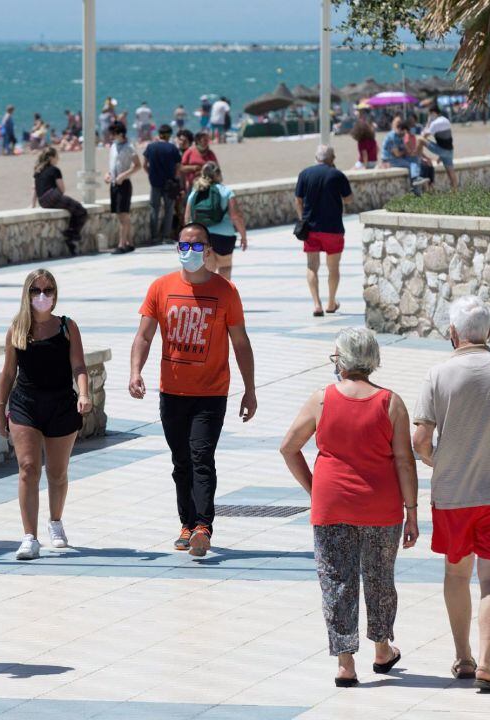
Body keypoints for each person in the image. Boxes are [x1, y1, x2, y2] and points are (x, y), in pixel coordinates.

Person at [280, 328, 419, 688]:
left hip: (332, 507)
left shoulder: (321, 400)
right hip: (382, 507)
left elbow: (288, 447)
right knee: (379, 578)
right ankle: (382, 649)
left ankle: (345, 663)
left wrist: (316, 489)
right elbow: (405, 461)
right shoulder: (392, 403)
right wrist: (413, 512)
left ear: (341, 359)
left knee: (337, 581)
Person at [412, 295, 490, 694]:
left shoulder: (437, 375)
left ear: (452, 334)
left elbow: (420, 439)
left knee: (456, 573)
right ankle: (487, 662)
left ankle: (463, 657)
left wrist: (436, 462)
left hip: (454, 494)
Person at [129, 223, 257, 557]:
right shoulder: (161, 287)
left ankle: (203, 525)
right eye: (185, 246)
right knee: (180, 461)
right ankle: (186, 525)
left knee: (201, 457)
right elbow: (144, 335)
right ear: (177, 249)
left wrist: (250, 389)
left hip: (211, 394)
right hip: (172, 392)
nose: (191, 252)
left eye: (197, 246)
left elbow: (241, 343)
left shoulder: (225, 291)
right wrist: (135, 371)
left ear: (209, 249)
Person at [0, 270, 92, 560]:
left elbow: (79, 366)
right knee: (27, 468)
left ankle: (55, 522)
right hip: (25, 404)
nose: (42, 296)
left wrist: (84, 393)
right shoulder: (17, 329)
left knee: (57, 472)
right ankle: (29, 537)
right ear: (27, 294)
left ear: (55, 294)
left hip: (61, 403)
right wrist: (0, 408)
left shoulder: (66, 327)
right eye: (36, 290)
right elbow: (8, 371)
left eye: (48, 290)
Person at [295, 145, 353, 317]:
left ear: (316, 157)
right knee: (333, 267)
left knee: (312, 266)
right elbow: (349, 198)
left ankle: (316, 304)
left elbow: (298, 200)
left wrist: (302, 219)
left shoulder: (304, 174)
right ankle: (331, 302)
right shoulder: (337, 175)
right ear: (332, 158)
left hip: (311, 228)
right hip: (333, 228)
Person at [185, 162, 247, 280]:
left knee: (206, 271)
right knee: (225, 267)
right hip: (224, 237)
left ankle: (207, 296)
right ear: (218, 174)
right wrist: (243, 236)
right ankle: (223, 296)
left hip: (201, 236)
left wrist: (187, 240)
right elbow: (236, 216)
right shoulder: (226, 191)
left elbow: (187, 217)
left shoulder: (196, 191)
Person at [31, 147, 87, 256]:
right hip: (53, 196)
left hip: (42, 201)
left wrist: (33, 204)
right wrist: (60, 197)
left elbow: (34, 189)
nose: (58, 159)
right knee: (80, 210)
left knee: (72, 208)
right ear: (51, 158)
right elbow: (62, 189)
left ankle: (71, 234)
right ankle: (71, 234)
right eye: (57, 157)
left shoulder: (38, 170)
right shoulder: (55, 170)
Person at [104, 121, 140, 254]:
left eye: (113, 134)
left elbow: (137, 165)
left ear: (120, 134)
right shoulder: (113, 146)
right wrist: (108, 175)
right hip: (114, 183)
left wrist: (123, 176)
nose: (111, 136)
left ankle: (122, 244)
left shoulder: (130, 147)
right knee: (120, 215)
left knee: (123, 215)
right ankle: (129, 242)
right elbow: (112, 165)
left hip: (123, 184)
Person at [143, 124, 183, 245]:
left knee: (154, 208)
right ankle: (166, 236)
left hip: (155, 182)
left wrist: (150, 174)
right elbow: (178, 167)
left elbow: (145, 164)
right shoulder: (172, 148)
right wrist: (175, 178)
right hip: (169, 183)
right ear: (169, 135)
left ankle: (155, 236)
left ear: (158, 134)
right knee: (169, 209)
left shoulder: (150, 147)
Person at [381, 119, 428, 195]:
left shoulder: (400, 136)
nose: (406, 134)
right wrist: (406, 152)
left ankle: (416, 181)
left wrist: (411, 152)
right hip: (389, 160)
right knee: (410, 165)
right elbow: (397, 154)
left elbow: (405, 150)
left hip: (398, 158)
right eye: (405, 132)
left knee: (415, 159)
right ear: (400, 129)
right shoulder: (392, 137)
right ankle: (415, 181)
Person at [423, 107, 458, 190]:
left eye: (429, 114)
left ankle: (417, 157)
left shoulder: (434, 123)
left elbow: (424, 135)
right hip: (450, 150)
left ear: (433, 113)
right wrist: (440, 156)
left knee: (420, 140)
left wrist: (428, 122)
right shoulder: (446, 120)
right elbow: (444, 139)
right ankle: (455, 192)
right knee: (451, 173)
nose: (429, 116)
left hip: (442, 150)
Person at [180, 130, 217, 194]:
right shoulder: (189, 152)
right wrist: (193, 168)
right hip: (192, 186)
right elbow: (181, 168)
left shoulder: (210, 153)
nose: (207, 142)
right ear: (198, 141)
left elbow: (216, 169)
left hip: (207, 185)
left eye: (207, 140)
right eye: (204, 140)